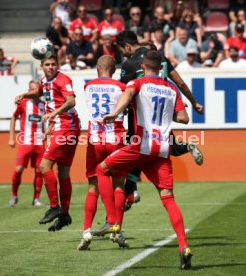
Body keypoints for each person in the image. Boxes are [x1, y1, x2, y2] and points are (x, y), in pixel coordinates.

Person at [96, 50, 192, 269]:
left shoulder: (138, 82)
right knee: (168, 197)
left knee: (102, 170)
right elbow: (183, 118)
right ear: (160, 67)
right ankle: (183, 245)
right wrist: (171, 113)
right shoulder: (171, 89)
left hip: (141, 145)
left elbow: (127, 96)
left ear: (144, 67)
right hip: (162, 150)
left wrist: (116, 112)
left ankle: (112, 220)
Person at [115, 31, 203, 211]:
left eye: (122, 51)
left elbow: (124, 92)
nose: (123, 54)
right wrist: (194, 102)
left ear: (127, 46)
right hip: (162, 110)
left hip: (139, 115)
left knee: (130, 152)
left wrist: (118, 111)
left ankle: (130, 195)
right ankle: (186, 147)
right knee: (167, 146)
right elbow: (180, 83)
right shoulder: (159, 58)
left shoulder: (129, 64)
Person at [15, 55, 81, 231]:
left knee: (44, 167)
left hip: (66, 126)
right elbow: (40, 92)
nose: (51, 67)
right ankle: (65, 214)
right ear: (42, 66)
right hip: (65, 126)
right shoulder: (45, 80)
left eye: (53, 64)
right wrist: (25, 94)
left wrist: (54, 114)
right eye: (47, 64)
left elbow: (71, 100)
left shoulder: (63, 79)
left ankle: (54, 207)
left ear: (57, 66)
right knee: (63, 172)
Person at [77, 55, 127, 250]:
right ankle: (117, 229)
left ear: (98, 68)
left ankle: (86, 232)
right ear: (113, 70)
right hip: (116, 139)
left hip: (94, 140)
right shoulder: (121, 87)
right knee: (119, 184)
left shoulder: (87, 86)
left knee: (92, 186)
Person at [8, 80, 45, 208]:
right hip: (25, 142)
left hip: (40, 142)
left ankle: (36, 199)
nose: (33, 92)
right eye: (31, 89)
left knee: (39, 171)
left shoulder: (44, 105)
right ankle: (14, 196)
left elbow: (48, 121)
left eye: (35, 89)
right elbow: (14, 118)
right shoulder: (23, 103)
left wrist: (48, 134)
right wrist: (11, 138)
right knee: (18, 169)